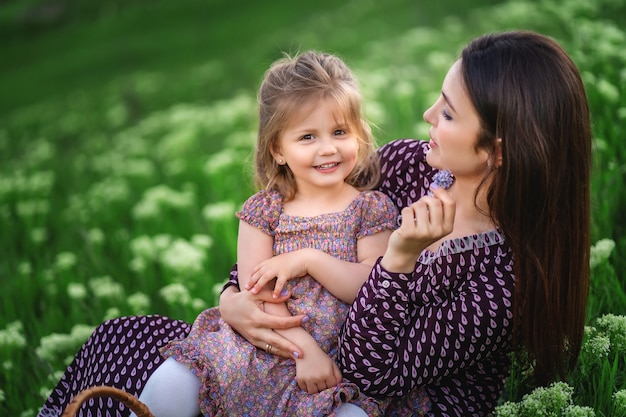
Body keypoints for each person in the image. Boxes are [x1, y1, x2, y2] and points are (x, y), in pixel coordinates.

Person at [39, 30, 591, 417]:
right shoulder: (406, 163)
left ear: (498, 149)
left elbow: (370, 371)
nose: (427, 115)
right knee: (127, 339)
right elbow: (295, 221)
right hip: (298, 352)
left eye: (447, 112)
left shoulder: (504, 281)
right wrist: (235, 297)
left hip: (376, 397)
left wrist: (398, 260)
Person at [136, 50, 407, 417]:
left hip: (325, 369)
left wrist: (308, 260)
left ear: (358, 134)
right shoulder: (264, 210)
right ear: (278, 149)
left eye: (340, 132)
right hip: (254, 345)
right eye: (308, 137)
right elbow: (255, 287)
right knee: (173, 381)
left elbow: (369, 285)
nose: (328, 148)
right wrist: (301, 349)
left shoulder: (371, 209)